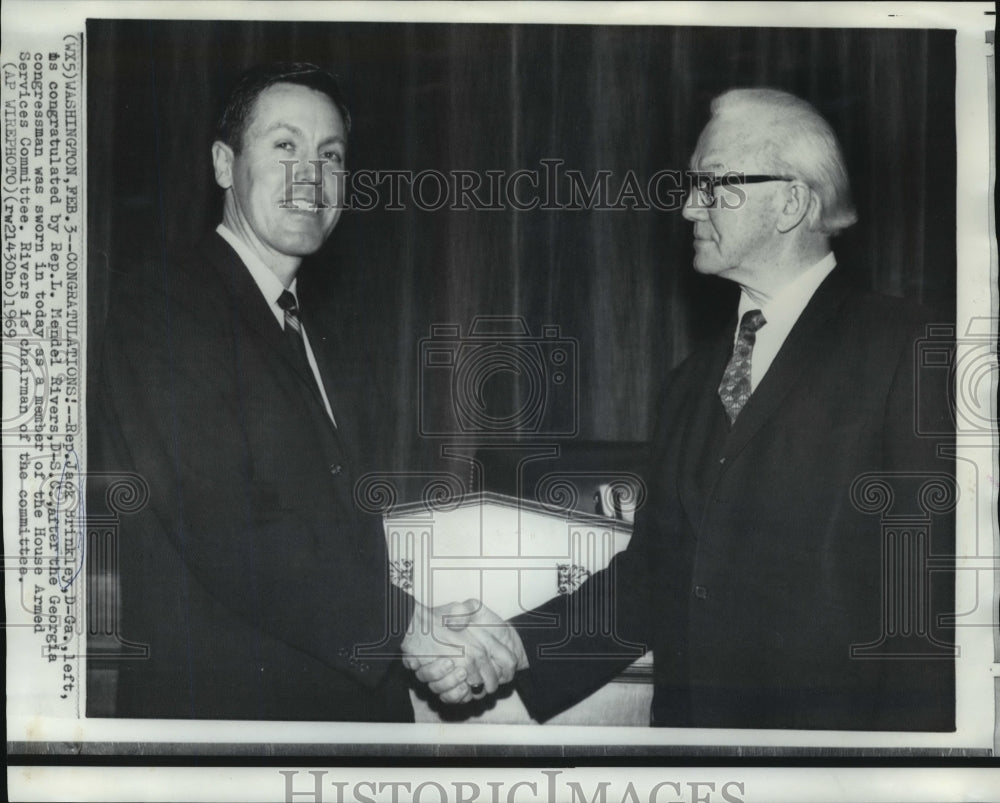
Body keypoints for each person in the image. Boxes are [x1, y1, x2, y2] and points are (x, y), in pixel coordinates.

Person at [413, 88, 955, 731]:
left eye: (712, 183)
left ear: (792, 202)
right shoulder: (692, 381)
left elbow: (932, 600)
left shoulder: (910, 351)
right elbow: (659, 573)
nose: (688, 204)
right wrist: (512, 647)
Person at [90, 62, 519, 721]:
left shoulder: (320, 329)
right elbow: (225, 524)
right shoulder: (166, 306)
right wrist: (404, 627)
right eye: (284, 145)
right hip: (232, 736)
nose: (310, 175)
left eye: (331, 155)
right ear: (224, 163)